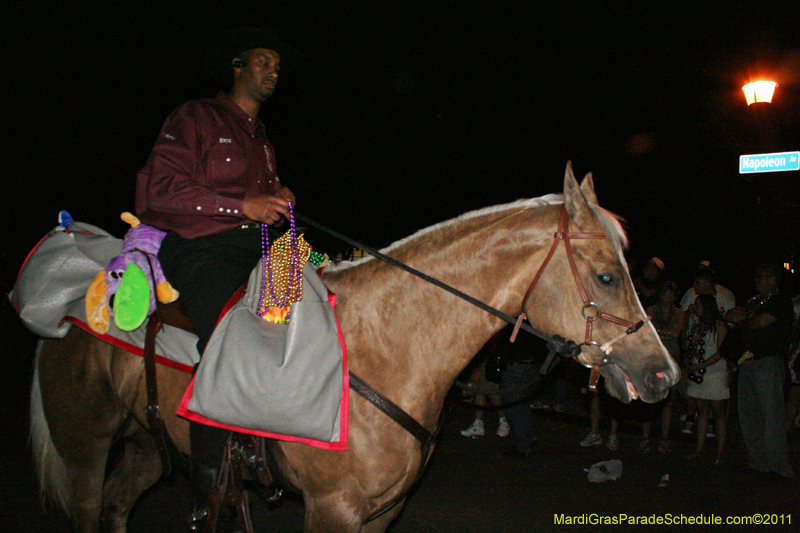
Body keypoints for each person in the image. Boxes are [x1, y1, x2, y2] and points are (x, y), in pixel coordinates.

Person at [135, 27, 303, 530]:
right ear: (236, 66)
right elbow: (158, 191)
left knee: (318, 311)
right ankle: (206, 486)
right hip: (201, 250)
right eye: (262, 61)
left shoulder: (264, 142)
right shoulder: (195, 116)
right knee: (231, 335)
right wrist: (242, 206)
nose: (272, 71)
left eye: (277, 65)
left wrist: (279, 201)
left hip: (258, 251)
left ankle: (274, 443)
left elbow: (265, 208)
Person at [725, 264, 794, 479]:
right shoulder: (754, 301)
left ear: (774, 280)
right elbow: (730, 314)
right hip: (747, 361)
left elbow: (762, 322)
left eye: (762, 277)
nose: (757, 281)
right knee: (749, 415)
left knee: (771, 416)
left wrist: (744, 320)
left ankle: (778, 465)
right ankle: (758, 462)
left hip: (767, 363)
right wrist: (747, 319)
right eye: (757, 277)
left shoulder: (780, 301)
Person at [640, 281, 685, 455]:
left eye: (672, 294)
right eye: (666, 293)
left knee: (669, 401)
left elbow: (676, 332)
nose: (669, 297)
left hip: (671, 360)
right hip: (653, 359)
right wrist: (663, 332)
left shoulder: (679, 313)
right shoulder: (651, 310)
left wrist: (659, 332)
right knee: (650, 398)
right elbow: (647, 333)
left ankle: (664, 439)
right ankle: (645, 437)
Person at [684, 294, 729, 464]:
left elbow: (720, 353)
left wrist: (697, 366)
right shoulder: (696, 324)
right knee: (701, 410)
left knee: (718, 413)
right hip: (699, 374)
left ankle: (720, 451)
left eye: (698, 304)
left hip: (715, 374)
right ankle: (699, 448)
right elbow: (691, 345)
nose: (695, 307)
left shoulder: (719, 325)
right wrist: (690, 362)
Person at [498, 325, 546, 458]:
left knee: (513, 407)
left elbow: (506, 344)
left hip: (517, 366)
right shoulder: (534, 321)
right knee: (522, 405)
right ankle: (529, 437)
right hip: (531, 365)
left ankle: (523, 446)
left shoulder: (515, 323)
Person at [460, 335, 510, 438]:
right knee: (480, 389)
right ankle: (478, 424)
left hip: (495, 355)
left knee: (491, 390)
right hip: (484, 353)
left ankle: (504, 420)